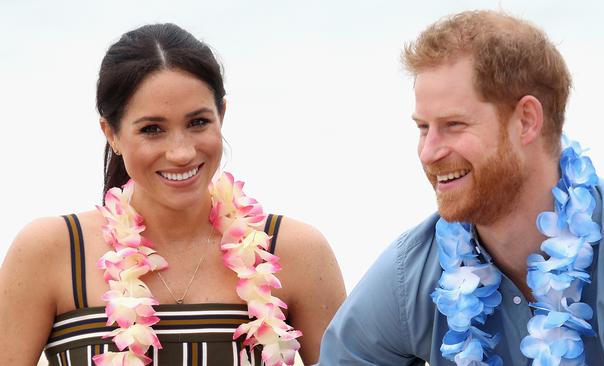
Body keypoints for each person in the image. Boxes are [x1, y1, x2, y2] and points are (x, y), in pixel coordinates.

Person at [0, 23, 345, 365]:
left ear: (221, 115)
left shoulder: (296, 252)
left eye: (198, 122)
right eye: (152, 129)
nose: (181, 152)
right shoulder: (50, 252)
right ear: (112, 134)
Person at [318, 10, 604, 366]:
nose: (429, 152)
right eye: (422, 128)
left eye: (454, 125)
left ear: (526, 121)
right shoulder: (411, 272)